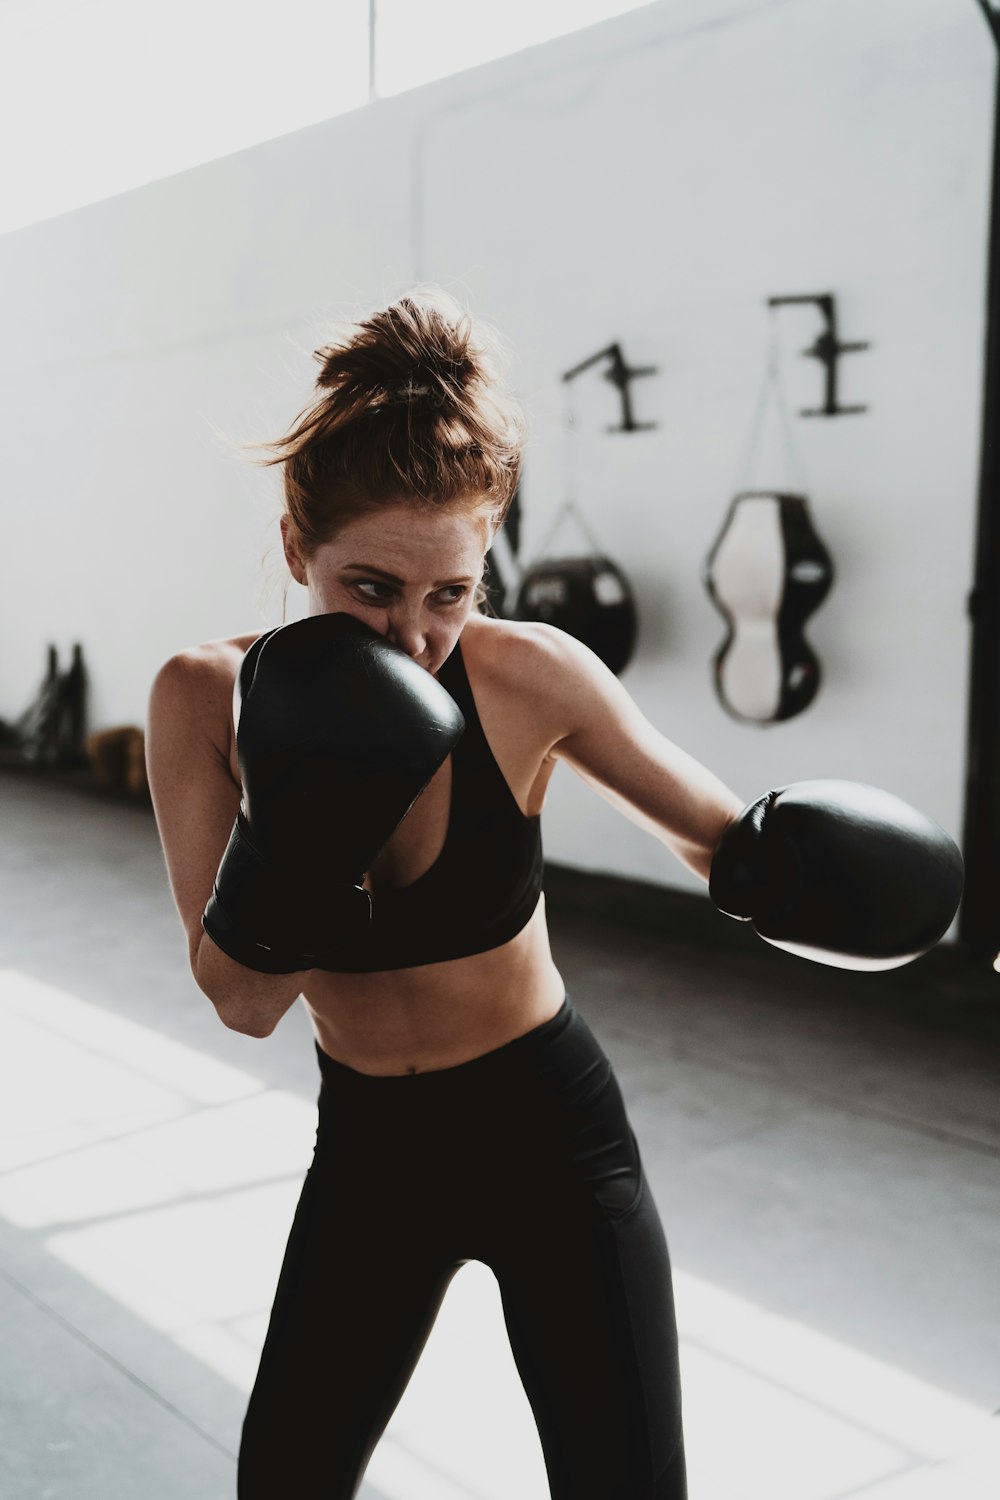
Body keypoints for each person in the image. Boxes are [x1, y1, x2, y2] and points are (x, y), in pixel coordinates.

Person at [145, 290, 962, 1500]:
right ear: (291, 548)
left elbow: (721, 841)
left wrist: (831, 879)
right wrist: (304, 811)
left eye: (450, 594)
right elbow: (241, 999)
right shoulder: (203, 700)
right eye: (368, 587)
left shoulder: (531, 675)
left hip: (551, 1135)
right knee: (286, 1480)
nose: (414, 636)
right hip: (371, 1150)